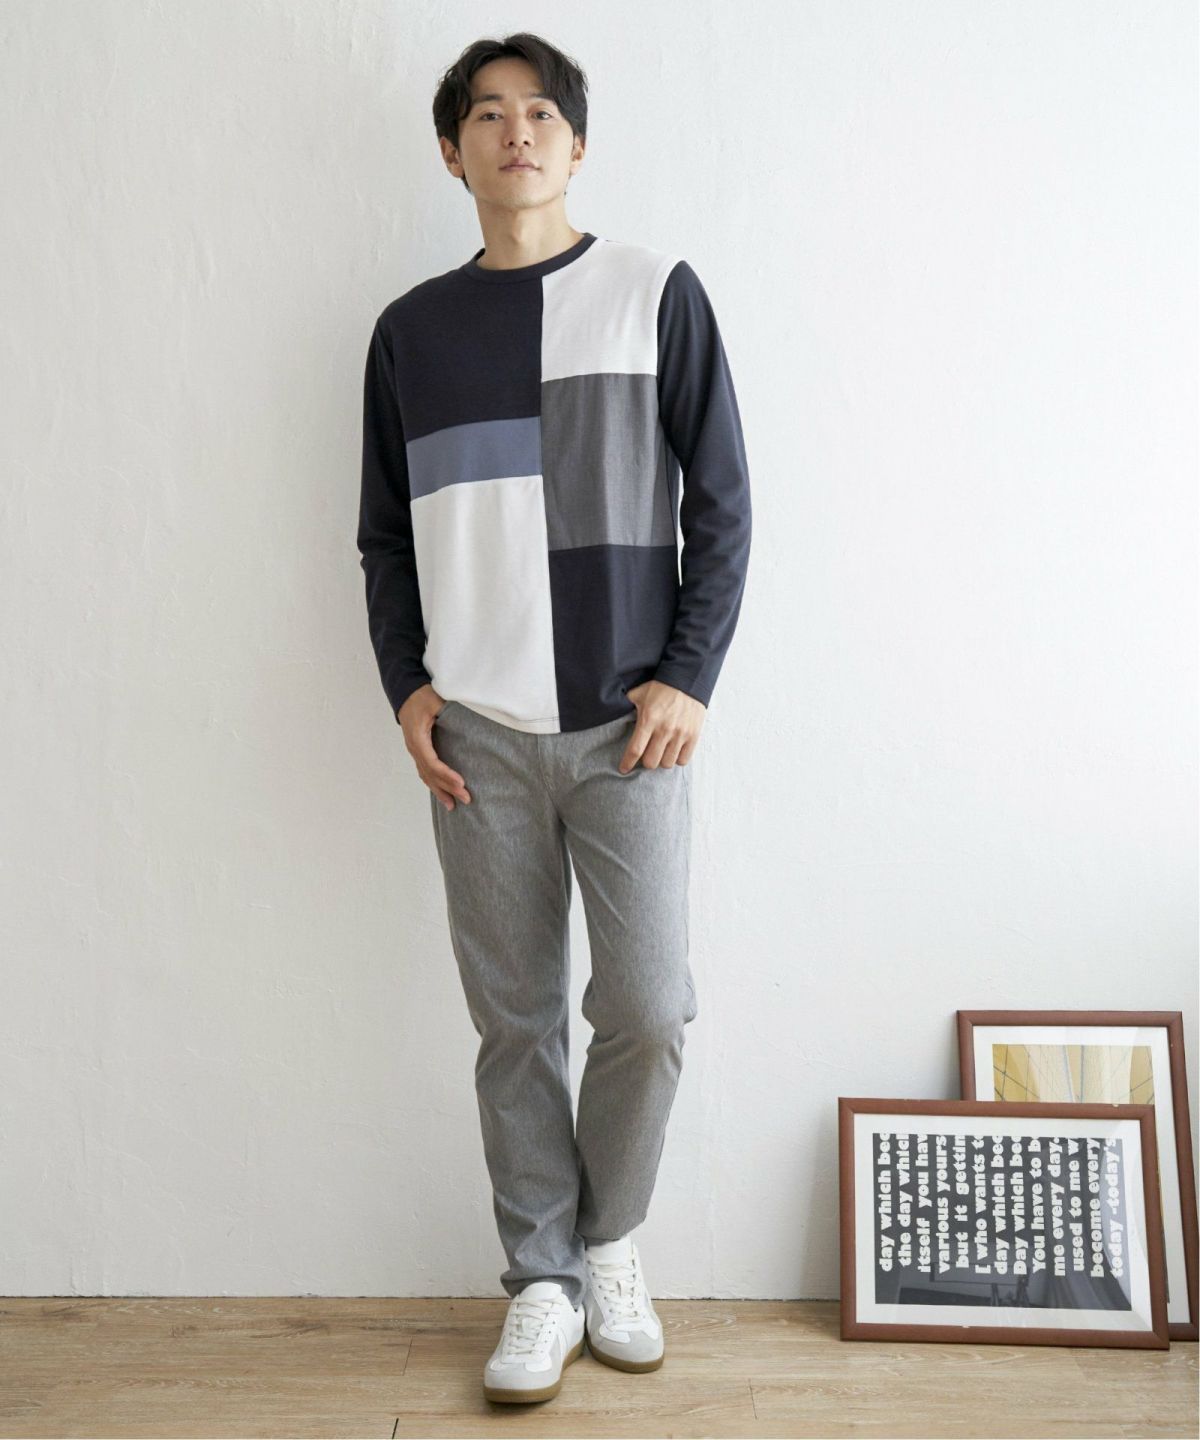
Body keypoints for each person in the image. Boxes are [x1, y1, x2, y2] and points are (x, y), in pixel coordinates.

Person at [356, 31, 752, 1406]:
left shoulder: (654, 294)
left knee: (647, 1006)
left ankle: (609, 1240)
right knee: (515, 1022)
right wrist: (406, 686)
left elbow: (725, 502)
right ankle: (541, 1277)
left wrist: (689, 673)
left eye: (539, 113)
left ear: (576, 145)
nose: (514, 132)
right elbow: (383, 537)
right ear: (451, 150)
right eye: (486, 114)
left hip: (628, 728)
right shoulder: (411, 332)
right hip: (476, 733)